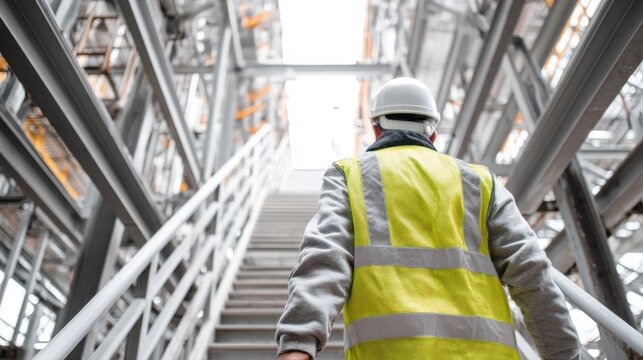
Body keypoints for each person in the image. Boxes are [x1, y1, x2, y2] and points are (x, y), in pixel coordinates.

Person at [275, 77, 580, 359]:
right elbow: (532, 272)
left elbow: (325, 256)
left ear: (376, 129)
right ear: (432, 131)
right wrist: (565, 355)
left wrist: (298, 343)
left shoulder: (350, 175)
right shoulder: (480, 182)